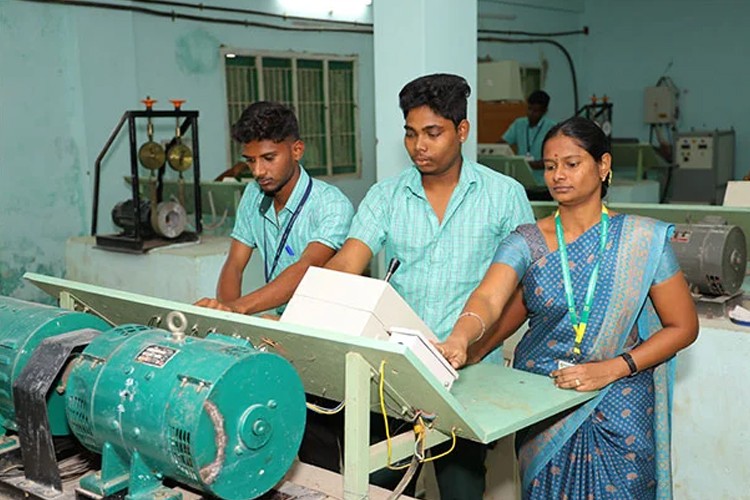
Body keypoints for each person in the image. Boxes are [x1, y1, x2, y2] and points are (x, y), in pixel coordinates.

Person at [439, 116, 699, 499]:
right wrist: (460, 337)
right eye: (549, 166)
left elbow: (683, 327)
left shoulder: (644, 240)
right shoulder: (526, 240)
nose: (558, 175)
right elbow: (488, 297)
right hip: (544, 401)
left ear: (603, 165)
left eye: (571, 163)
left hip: (621, 401)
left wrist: (612, 369)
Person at [326, 73, 535, 499]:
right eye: (411, 133)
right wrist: (308, 310)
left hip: (470, 376)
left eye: (432, 133)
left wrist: (471, 351)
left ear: (462, 131)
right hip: (394, 373)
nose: (419, 145)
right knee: (376, 484)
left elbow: (522, 293)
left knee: (461, 486)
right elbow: (347, 262)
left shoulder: (503, 195)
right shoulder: (386, 197)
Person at [195, 101, 353, 315]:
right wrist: (226, 315)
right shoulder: (253, 195)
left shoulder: (332, 205)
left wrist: (237, 308)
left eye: (269, 158)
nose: (258, 171)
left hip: (326, 322)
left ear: (297, 150)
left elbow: (306, 268)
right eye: (251, 161)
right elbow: (234, 265)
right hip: (279, 319)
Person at [501, 90, 556, 169]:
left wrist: (529, 164)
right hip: (520, 173)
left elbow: (553, 160)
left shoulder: (552, 127)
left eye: (535, 111)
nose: (531, 113)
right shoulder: (519, 124)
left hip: (541, 177)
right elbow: (502, 144)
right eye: (529, 109)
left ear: (544, 111)